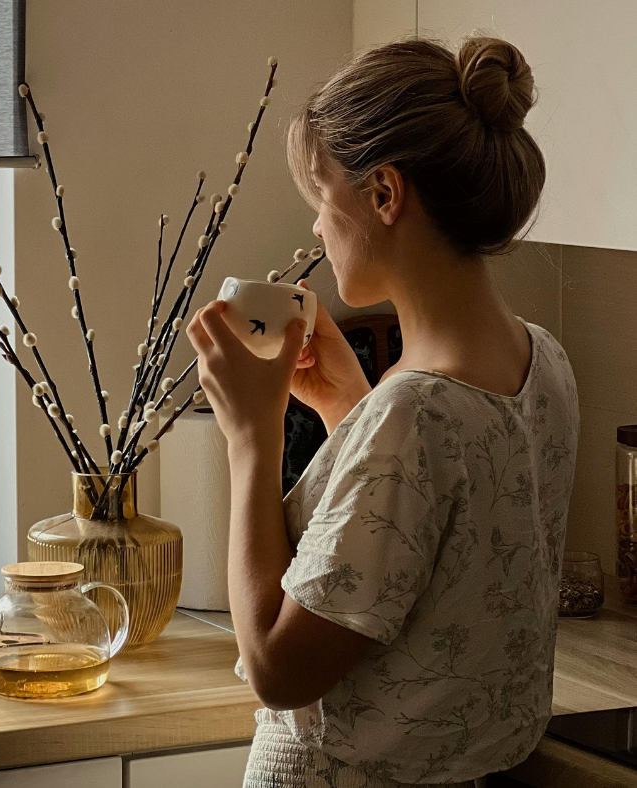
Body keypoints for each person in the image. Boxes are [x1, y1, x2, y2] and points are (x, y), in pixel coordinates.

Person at [186, 36, 579, 787]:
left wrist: (250, 435)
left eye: (321, 201)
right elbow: (430, 544)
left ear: (385, 194)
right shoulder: (545, 363)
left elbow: (278, 669)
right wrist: (346, 409)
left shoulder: (413, 412)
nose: (315, 231)